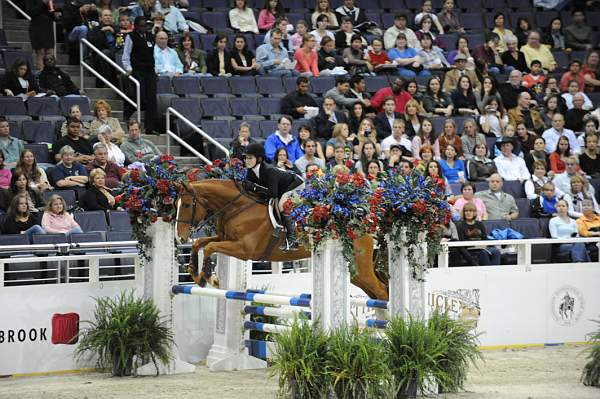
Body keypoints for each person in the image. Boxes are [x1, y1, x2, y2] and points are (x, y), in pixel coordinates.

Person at [243, 143, 303, 250]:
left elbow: (273, 194)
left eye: (250, 158)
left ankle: (292, 239)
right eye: (246, 158)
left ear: (259, 159)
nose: (247, 161)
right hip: (281, 189)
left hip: (295, 184)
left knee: (281, 206)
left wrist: (255, 188)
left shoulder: (269, 171)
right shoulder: (250, 171)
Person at [122, 16, 158, 134]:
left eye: (145, 26)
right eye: (141, 25)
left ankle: (150, 127)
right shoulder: (131, 36)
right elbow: (126, 54)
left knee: (152, 99)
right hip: (138, 70)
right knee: (141, 97)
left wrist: (155, 70)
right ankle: (127, 113)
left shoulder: (150, 37)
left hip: (150, 71)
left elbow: (153, 55)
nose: (144, 28)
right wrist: (128, 68)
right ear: (136, 26)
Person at [27, 0, 55, 70]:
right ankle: (41, 76)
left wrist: (55, 13)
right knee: (40, 52)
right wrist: (43, 3)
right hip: (37, 27)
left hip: (48, 27)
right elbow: (31, 12)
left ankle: (51, 75)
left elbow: (53, 15)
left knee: (50, 52)